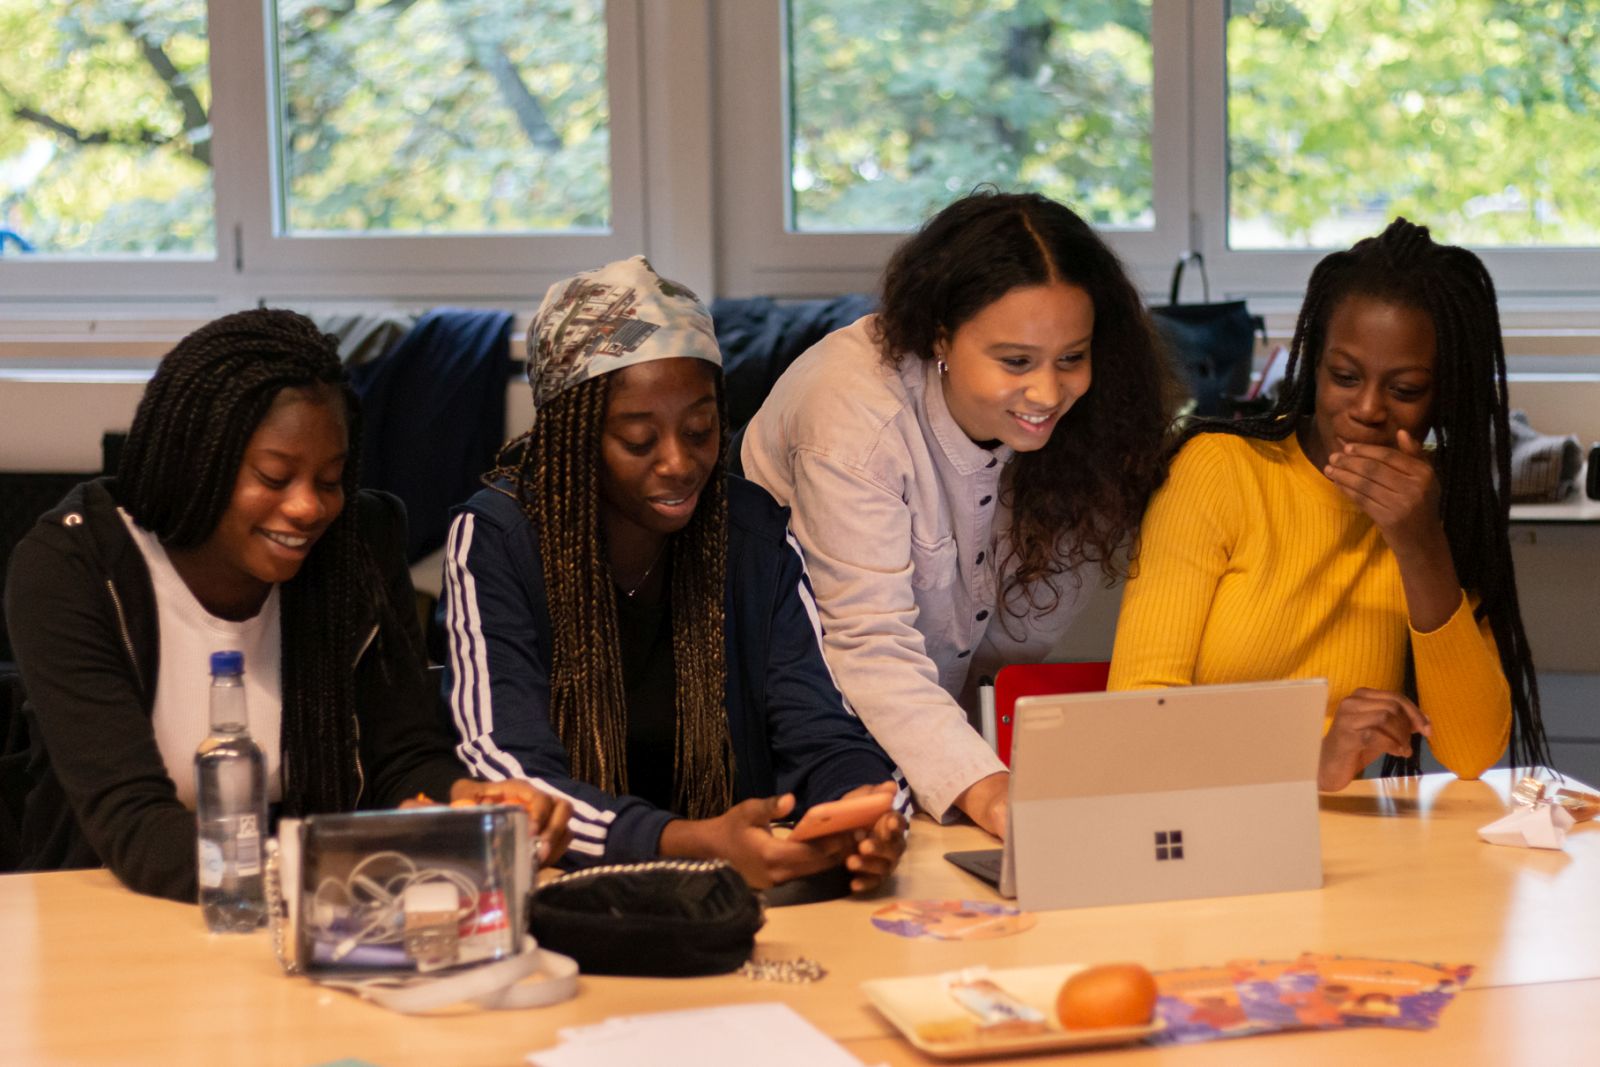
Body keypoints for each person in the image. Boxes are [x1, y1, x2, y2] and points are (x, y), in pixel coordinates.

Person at [4, 309, 569, 903]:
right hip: (109, 908)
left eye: (330, 480)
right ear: (198, 462)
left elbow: (400, 760)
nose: (309, 508)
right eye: (275, 477)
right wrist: (335, 867)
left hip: (311, 910)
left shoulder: (359, 544)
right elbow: (135, 827)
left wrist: (474, 803)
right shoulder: (72, 567)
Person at [441, 256, 907, 892]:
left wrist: (865, 814)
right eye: (638, 440)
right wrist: (684, 842)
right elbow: (508, 774)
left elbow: (823, 728)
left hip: (738, 903)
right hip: (566, 900)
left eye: (700, 430)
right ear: (570, 439)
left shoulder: (750, 536)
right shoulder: (498, 539)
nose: (679, 463)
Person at [740, 191, 1180, 835]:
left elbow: (1013, 643)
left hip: (924, 723)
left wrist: (983, 771)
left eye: (1072, 358)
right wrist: (986, 789)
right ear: (940, 334)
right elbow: (867, 646)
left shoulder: (1097, 424)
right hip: (801, 729)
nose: (1049, 392)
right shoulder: (853, 418)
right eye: (1016, 362)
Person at [1108, 218, 1549, 789]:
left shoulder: (1437, 507)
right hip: (1204, 832)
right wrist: (1309, 763)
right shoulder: (1220, 470)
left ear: (1445, 396)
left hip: (1352, 849)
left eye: (1406, 390)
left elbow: (1471, 753)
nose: (1367, 408)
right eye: (1344, 376)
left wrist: (1421, 547)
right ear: (1313, 363)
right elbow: (1137, 719)